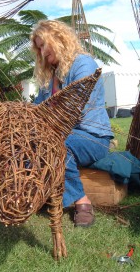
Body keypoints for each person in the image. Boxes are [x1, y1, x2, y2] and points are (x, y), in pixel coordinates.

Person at [30, 20, 114, 227]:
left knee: (56, 145)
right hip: (63, 136)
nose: (41, 52)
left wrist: (44, 120)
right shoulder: (51, 76)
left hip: (93, 138)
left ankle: (81, 201)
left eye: (44, 45)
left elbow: (74, 108)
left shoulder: (83, 64)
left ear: (58, 40)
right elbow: (37, 108)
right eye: (38, 48)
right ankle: (36, 197)